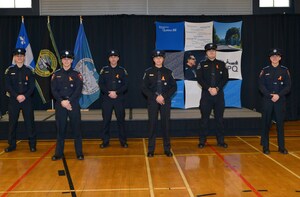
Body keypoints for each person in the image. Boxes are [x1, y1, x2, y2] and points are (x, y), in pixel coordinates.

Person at [141, 50, 177, 157]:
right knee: (152, 125)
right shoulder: (148, 72)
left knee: (165, 125)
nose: (158, 59)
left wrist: (163, 96)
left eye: (160, 57)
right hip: (152, 101)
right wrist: (155, 97)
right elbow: (144, 88)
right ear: (153, 59)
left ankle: (167, 149)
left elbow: (174, 87)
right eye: (156, 58)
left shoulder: (168, 72)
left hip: (165, 101)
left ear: (163, 59)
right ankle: (151, 149)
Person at [51, 50, 84, 160]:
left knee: (77, 130)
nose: (66, 61)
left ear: (72, 60)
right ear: (61, 60)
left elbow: (78, 90)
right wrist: (62, 101)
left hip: (73, 104)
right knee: (60, 130)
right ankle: (58, 153)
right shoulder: (56, 74)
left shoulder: (77, 74)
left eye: (68, 59)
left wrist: (68, 101)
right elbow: (53, 90)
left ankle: (79, 153)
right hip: (60, 104)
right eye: (64, 59)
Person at [258, 48, 291, 155]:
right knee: (266, 124)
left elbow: (288, 86)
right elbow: (261, 85)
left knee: (280, 125)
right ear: (270, 58)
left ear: (280, 58)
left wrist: (278, 95)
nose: (275, 58)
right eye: (273, 56)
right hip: (267, 100)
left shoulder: (284, 70)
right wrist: (269, 95)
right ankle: (265, 146)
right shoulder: (265, 70)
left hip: (280, 100)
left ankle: (281, 147)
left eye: (277, 56)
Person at [196, 43, 229, 148]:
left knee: (219, 119)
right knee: (204, 119)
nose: (211, 52)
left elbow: (225, 78)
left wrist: (217, 88)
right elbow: (199, 79)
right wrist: (209, 88)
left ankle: (221, 141)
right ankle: (202, 141)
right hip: (206, 95)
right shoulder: (201, 64)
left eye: (213, 51)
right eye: (209, 51)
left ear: (216, 52)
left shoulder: (222, 64)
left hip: (219, 96)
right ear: (206, 52)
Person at [4, 48, 36, 152]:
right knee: (12, 123)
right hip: (14, 100)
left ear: (24, 57)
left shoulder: (29, 70)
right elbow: (8, 86)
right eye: (17, 56)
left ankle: (32, 145)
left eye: (21, 56)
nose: (19, 57)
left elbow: (32, 87)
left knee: (30, 123)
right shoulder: (9, 70)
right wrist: (17, 96)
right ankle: (12, 145)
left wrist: (24, 96)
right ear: (14, 57)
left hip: (27, 100)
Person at [99, 50, 129, 148]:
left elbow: (126, 85)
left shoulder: (122, 70)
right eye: (111, 57)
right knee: (106, 121)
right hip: (107, 99)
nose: (113, 58)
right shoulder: (104, 70)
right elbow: (101, 84)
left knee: (121, 120)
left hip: (119, 98)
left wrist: (116, 92)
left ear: (118, 58)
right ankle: (105, 141)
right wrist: (109, 92)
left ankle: (123, 141)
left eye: (115, 57)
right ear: (109, 59)